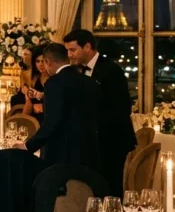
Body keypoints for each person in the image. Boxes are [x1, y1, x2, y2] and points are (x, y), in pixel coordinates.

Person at [63, 29, 135, 191]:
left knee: (110, 190)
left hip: (112, 143)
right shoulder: (75, 70)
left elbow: (122, 109)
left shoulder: (111, 71)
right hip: (92, 143)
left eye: (73, 50)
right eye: (68, 50)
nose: (69, 55)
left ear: (87, 47)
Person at [21, 44, 101, 171]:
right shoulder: (89, 81)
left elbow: (52, 123)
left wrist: (27, 146)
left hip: (62, 154)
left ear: (48, 62)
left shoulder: (53, 83)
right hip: (89, 151)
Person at [21, 44, 50, 123]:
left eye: (43, 61)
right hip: (36, 120)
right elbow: (28, 103)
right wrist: (22, 121)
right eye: (37, 61)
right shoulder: (34, 78)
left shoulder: (55, 78)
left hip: (50, 119)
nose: (40, 64)